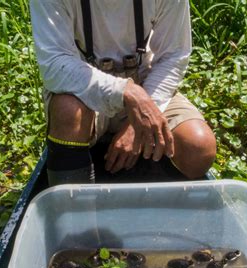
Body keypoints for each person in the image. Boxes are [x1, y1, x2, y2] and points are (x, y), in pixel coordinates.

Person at [30, 0, 216, 186]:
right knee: (67, 111)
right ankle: (73, 205)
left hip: (146, 84)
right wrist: (126, 92)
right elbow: (54, 64)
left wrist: (138, 122)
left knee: (198, 148)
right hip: (84, 93)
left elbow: (174, 56)